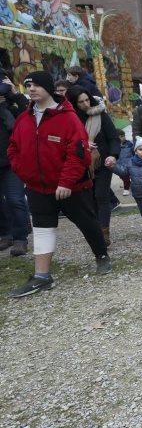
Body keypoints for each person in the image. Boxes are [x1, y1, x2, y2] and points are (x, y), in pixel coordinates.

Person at [7, 71, 112, 298]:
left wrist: (65, 182)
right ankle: (42, 276)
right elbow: (13, 148)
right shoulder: (23, 119)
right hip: (38, 188)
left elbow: (78, 154)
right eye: (28, 86)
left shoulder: (68, 118)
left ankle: (101, 255)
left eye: (35, 85)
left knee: (87, 222)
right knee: (42, 228)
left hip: (71, 188)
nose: (31, 89)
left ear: (48, 88)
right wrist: (24, 172)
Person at [66, 85, 120, 247]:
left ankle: (104, 233)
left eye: (87, 99)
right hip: (81, 164)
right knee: (88, 199)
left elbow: (113, 138)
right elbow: (66, 142)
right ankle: (95, 230)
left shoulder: (100, 114)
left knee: (101, 196)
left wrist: (113, 155)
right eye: (81, 102)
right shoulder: (70, 119)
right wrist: (82, 144)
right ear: (74, 103)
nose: (86, 104)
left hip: (102, 162)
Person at [0, 70, 30, 256]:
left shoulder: (12, 108)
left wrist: (14, 93)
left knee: (15, 200)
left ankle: (21, 238)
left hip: (12, 163)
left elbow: (30, 111)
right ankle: (5, 234)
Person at [117, 129, 133, 196]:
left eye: (123, 136)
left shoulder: (129, 144)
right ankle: (129, 184)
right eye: (120, 136)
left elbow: (133, 152)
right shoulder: (115, 146)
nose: (122, 138)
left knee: (127, 176)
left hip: (129, 164)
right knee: (123, 177)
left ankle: (126, 189)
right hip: (119, 165)